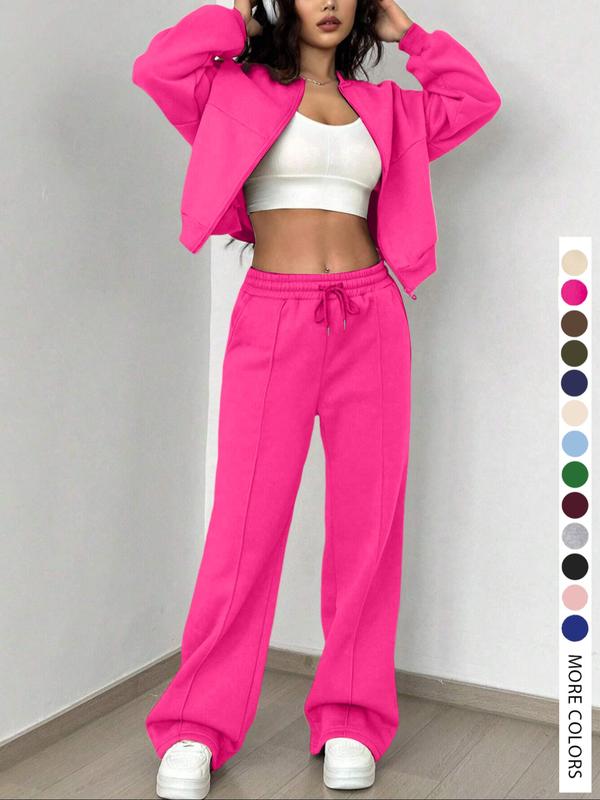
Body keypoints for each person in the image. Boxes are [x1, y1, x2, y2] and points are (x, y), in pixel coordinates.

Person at [131, 0, 501, 796]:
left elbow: (475, 100)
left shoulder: (387, 107)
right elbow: (157, 69)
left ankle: (350, 719)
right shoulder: (233, 91)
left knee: (368, 529)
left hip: (373, 316)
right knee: (243, 528)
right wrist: (232, 18)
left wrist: (412, 36)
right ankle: (196, 725)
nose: (327, 2)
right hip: (274, 316)